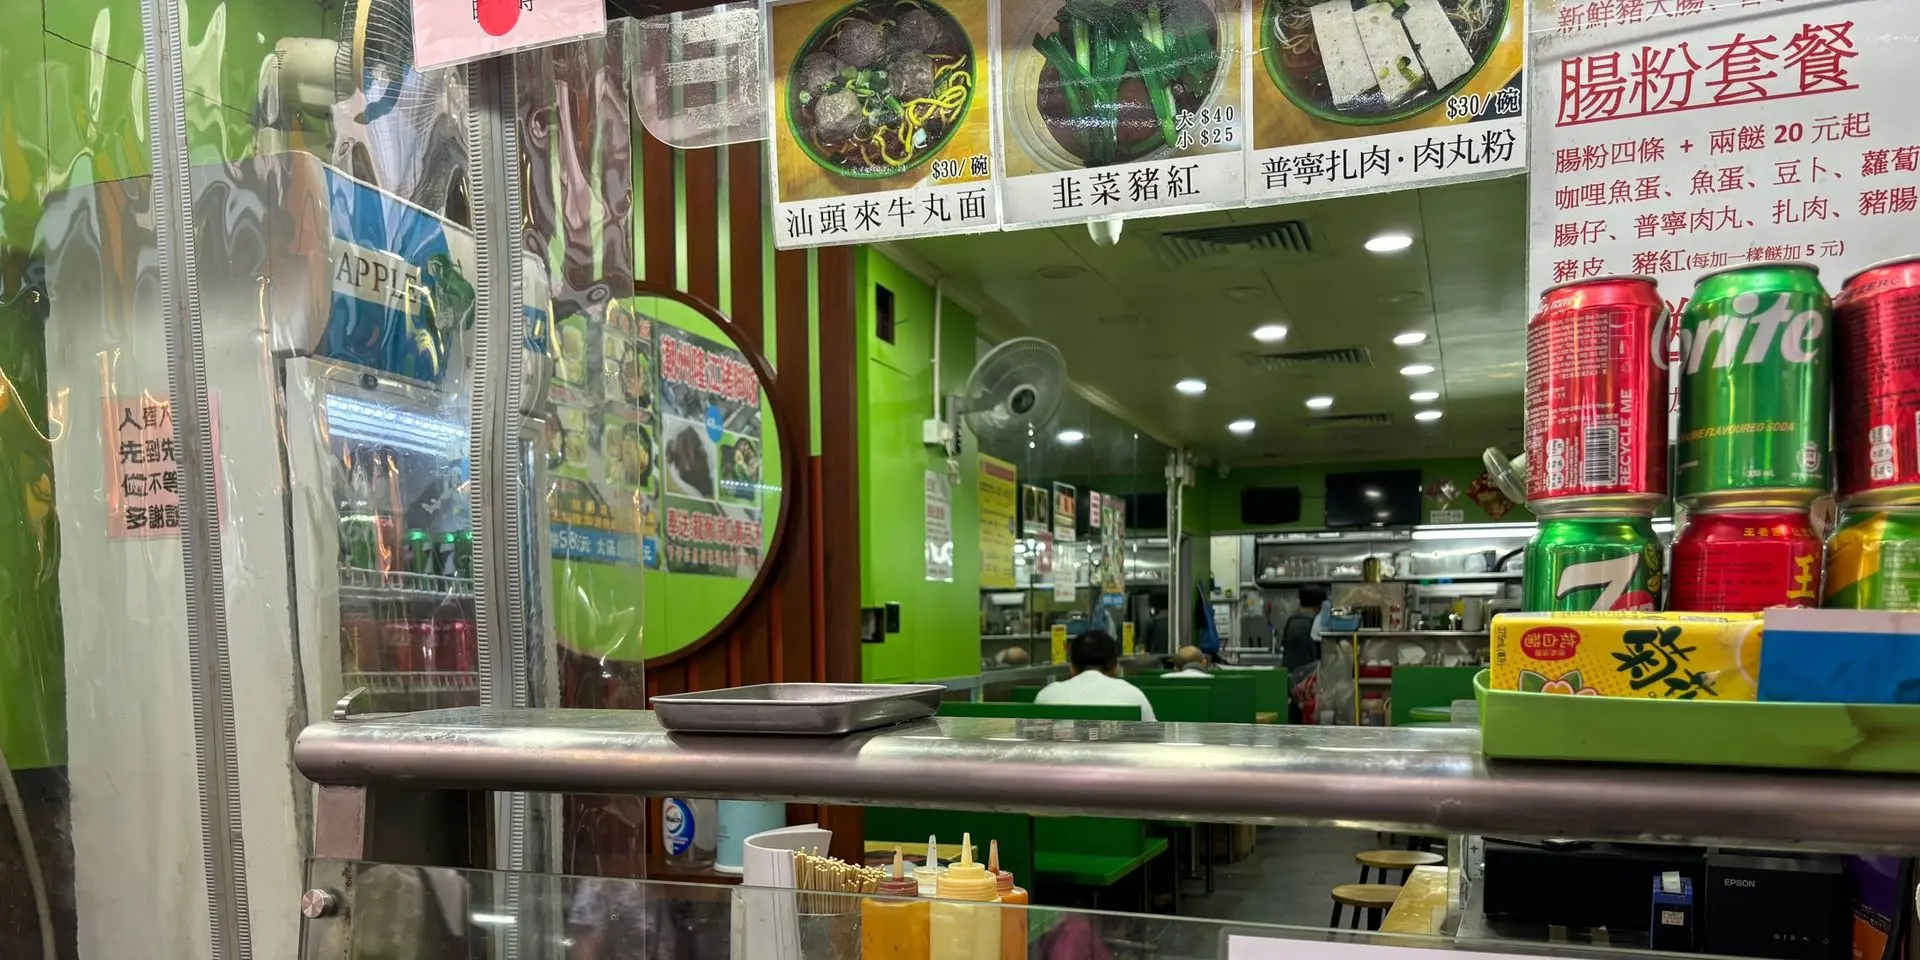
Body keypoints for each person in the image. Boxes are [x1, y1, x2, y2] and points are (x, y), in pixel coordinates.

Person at [1035, 630, 1157, 721]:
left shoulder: (1047, 696)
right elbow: (1154, 740)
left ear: (1072, 668)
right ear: (1115, 668)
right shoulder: (1134, 696)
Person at [1281, 586, 1328, 723]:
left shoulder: (1291, 621)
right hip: (1307, 689)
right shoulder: (1314, 624)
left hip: (1291, 685)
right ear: (1319, 605)